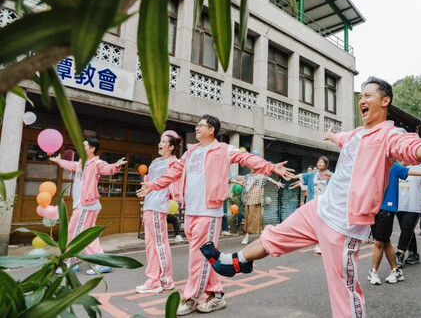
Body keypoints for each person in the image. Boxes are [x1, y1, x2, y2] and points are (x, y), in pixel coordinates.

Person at [200, 76, 421, 318]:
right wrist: (332, 137)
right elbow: (342, 138)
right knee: (274, 235)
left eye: (369, 95)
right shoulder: (355, 134)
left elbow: (411, 147)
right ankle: (233, 261)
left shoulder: (389, 135)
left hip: (344, 224)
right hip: (320, 208)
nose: (362, 100)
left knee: (343, 290)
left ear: (385, 101)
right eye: (361, 96)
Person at [136, 114, 293, 316]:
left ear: (211, 130)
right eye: (197, 124)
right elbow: (174, 172)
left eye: (201, 125)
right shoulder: (190, 152)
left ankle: (190, 297)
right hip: (191, 211)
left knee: (197, 255)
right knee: (207, 256)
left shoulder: (223, 149)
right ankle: (216, 295)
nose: (197, 128)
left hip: (208, 212)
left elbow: (247, 158)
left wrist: (271, 167)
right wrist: (153, 184)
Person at [51, 137, 126, 275]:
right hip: (85, 205)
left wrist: (116, 165)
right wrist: (59, 161)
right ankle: (97, 262)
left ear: (92, 149)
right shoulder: (81, 163)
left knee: (75, 233)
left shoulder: (96, 163)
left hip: (86, 206)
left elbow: (107, 169)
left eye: (84, 145)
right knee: (85, 234)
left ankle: (71, 262)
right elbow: (71, 165)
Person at [368, 163, 421, 285]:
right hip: (396, 207)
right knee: (398, 234)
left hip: (411, 207)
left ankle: (397, 256)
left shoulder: (407, 168)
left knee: (403, 231)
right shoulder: (382, 165)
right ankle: (408, 257)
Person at [136, 130, 181, 294]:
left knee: (160, 244)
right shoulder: (155, 162)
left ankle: (166, 280)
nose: (160, 144)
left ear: (171, 147)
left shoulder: (174, 163)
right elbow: (149, 182)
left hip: (158, 206)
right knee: (150, 246)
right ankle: (153, 280)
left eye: (164, 142)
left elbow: (173, 184)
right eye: (160, 141)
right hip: (149, 205)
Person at [289, 156, 332, 254]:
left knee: (323, 223)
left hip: (325, 203)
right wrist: (292, 177)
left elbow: (339, 180)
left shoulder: (330, 175)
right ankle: (320, 242)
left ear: (326, 164)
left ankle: (321, 244)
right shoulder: (313, 174)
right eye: (318, 162)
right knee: (315, 223)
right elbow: (302, 176)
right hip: (314, 201)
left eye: (322, 162)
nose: (319, 164)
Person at [235, 171, 284, 245]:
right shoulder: (247, 176)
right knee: (247, 218)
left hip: (255, 200)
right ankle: (248, 235)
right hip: (247, 200)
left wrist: (277, 183)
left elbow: (269, 179)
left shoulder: (260, 177)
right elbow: (239, 178)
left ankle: (257, 235)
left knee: (256, 218)